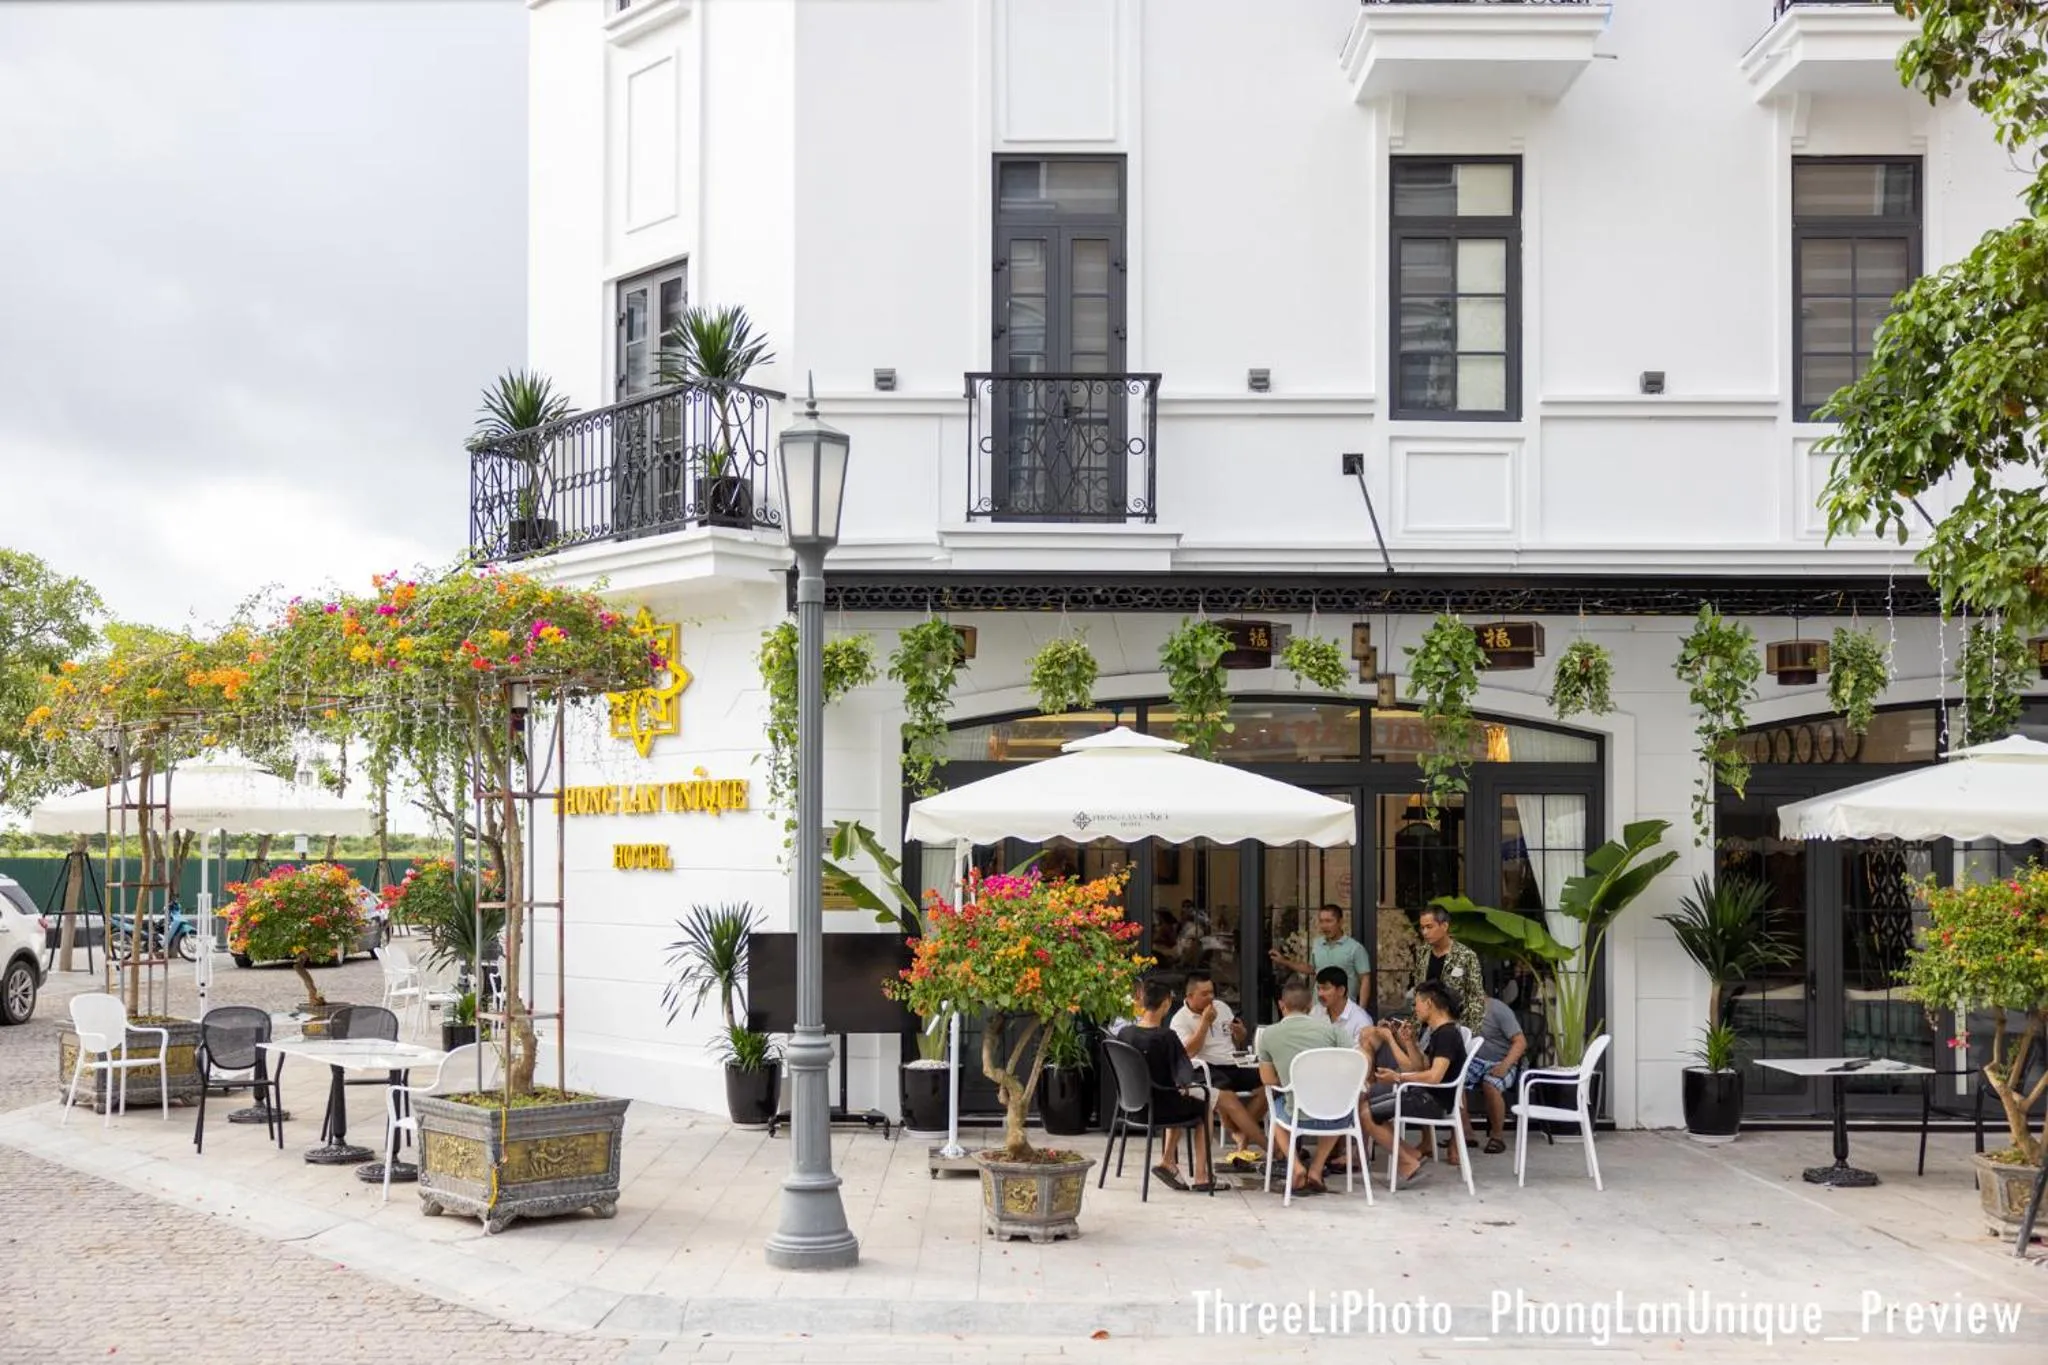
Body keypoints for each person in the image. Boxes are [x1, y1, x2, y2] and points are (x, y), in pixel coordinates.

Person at [1362, 981, 1469, 1185]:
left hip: (1432, 1100)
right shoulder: (1440, 1032)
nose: (1414, 1009)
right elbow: (1419, 1068)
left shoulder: (1446, 1034)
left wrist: (1398, 1077)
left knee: (1365, 1113)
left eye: (1417, 1003)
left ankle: (1408, 1161)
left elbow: (1434, 1076)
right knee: (1367, 1105)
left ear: (1429, 1003)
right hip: (1428, 1096)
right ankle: (1412, 1156)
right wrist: (1408, 1041)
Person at [1254, 977, 1348, 1197]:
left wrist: (1291, 1082)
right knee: (1340, 1104)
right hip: (1336, 1114)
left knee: (1276, 1114)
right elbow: (1353, 1063)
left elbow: (1267, 1080)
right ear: (1310, 1007)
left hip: (1297, 1111)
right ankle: (1315, 1170)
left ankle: (1296, 1166)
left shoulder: (1268, 1035)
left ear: (1281, 1005)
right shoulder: (1332, 1031)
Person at [1121, 978, 1215, 1192]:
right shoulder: (1166, 1037)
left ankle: (1168, 1162)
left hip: (1130, 1107)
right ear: (1166, 1004)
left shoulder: (1125, 1034)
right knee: (1202, 1106)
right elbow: (1184, 1070)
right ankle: (1201, 1176)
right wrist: (1184, 1083)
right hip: (1159, 1108)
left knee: (1177, 1098)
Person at [1168, 970, 1267, 1167]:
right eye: (1204, 994)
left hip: (1232, 1063)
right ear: (1190, 996)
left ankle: (1240, 1134)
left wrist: (1240, 1033)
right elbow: (1188, 1053)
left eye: (1212, 992)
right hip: (1206, 1067)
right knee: (1227, 1097)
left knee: (1269, 1083)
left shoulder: (1221, 1007)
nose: (1210, 998)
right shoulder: (1179, 1020)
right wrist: (1204, 1023)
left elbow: (1236, 1039)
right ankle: (1272, 1149)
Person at [1463, 994, 1528, 1155]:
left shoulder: (1498, 1009)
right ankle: (1466, 1133)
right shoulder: (1460, 1010)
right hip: (1475, 1060)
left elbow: (1520, 1042)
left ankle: (1497, 1137)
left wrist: (1505, 1066)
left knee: (1490, 1084)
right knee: (1454, 1081)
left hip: (1503, 1060)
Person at [1415, 904, 1486, 1032]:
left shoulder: (1466, 956)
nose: (1425, 932)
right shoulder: (1423, 953)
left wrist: (1469, 1033)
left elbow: (1475, 999)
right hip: (1425, 1027)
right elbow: (1419, 990)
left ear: (1444, 926)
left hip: (1454, 1027)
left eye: (1429, 927)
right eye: (1422, 928)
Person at [1312, 965, 1373, 1045]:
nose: (1320, 994)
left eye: (1325, 989)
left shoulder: (1361, 1020)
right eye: (1318, 989)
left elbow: (1360, 1055)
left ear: (1341, 990)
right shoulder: (1315, 1011)